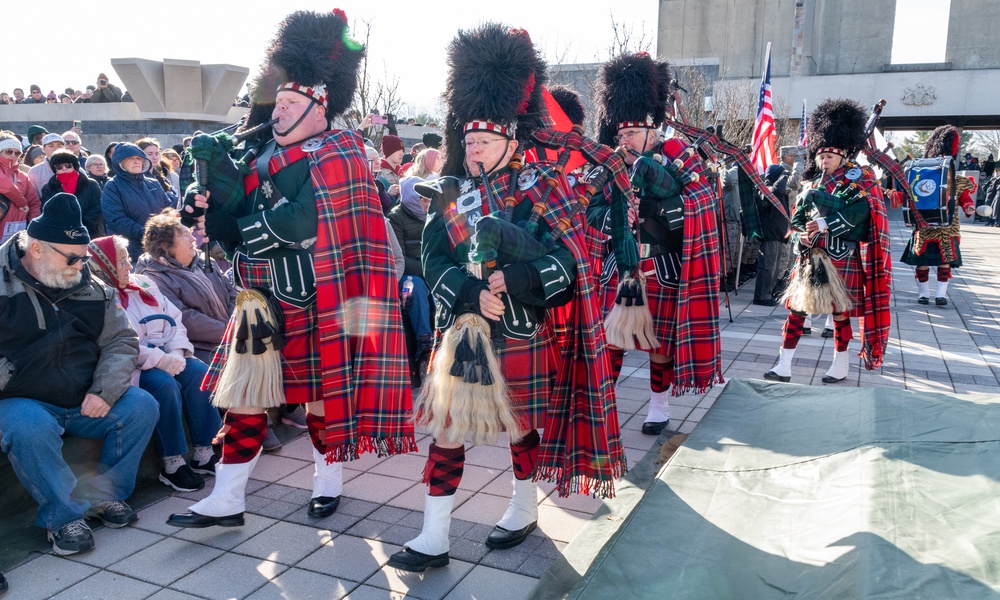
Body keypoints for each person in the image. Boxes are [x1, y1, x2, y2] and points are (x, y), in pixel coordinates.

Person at [387, 23, 623, 572]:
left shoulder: (542, 189)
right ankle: (433, 537)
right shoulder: (451, 195)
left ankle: (524, 508)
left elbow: (570, 263)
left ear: (511, 141)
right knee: (447, 432)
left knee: (521, 428)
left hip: (521, 332)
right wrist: (470, 290)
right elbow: (434, 262)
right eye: (467, 142)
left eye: (483, 142)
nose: (472, 151)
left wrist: (515, 281)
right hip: (465, 333)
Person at [166, 8, 414, 530]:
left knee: (322, 399)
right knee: (243, 398)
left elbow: (307, 219)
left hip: (317, 300)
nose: (277, 112)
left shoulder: (340, 148)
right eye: (276, 102)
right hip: (259, 301)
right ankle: (227, 499)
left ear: (319, 108)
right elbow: (233, 226)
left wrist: (247, 221)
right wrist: (207, 193)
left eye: (290, 103)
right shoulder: (256, 153)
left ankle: (328, 483)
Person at [0, 194, 158, 556]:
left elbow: (121, 341)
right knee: (27, 426)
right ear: (36, 249)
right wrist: (13, 375)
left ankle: (102, 498)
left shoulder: (92, 287)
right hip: (21, 397)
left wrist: (104, 390)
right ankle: (62, 518)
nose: (80, 265)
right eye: (72, 257)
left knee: (140, 405)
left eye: (85, 256)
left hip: (85, 393)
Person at [588, 51, 723, 435]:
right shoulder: (614, 162)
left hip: (661, 265)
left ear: (651, 127)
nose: (624, 140)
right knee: (611, 339)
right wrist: (615, 216)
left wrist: (655, 210)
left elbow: (703, 201)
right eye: (620, 134)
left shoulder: (677, 154)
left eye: (631, 133)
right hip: (621, 266)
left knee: (659, 344)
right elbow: (590, 210)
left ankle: (659, 406)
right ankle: (605, 406)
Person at [764, 98, 891, 384]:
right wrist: (801, 240)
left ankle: (840, 364)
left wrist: (825, 224)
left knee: (839, 315)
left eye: (830, 156)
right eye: (821, 156)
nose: (824, 161)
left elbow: (861, 214)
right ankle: (783, 364)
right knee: (796, 311)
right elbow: (795, 222)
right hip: (810, 259)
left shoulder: (860, 180)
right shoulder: (810, 184)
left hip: (841, 257)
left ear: (843, 156)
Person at [88, 235, 222, 491]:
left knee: (198, 372)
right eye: (122, 263)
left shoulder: (144, 283)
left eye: (128, 260)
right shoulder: (99, 296)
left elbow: (174, 318)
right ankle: (172, 463)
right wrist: (160, 360)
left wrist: (178, 352)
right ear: (104, 266)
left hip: (169, 353)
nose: (129, 267)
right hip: (132, 367)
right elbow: (120, 343)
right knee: (162, 385)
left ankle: (205, 452)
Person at [134, 208, 236, 363]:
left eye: (190, 233)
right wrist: (229, 330)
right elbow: (184, 317)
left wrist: (237, 322)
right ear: (165, 245)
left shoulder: (205, 261)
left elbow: (231, 292)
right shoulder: (154, 277)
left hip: (232, 337)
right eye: (184, 235)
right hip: (200, 349)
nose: (193, 239)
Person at [899, 125, 976, 306]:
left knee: (945, 263)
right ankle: (923, 294)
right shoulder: (919, 178)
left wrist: (969, 207)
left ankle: (941, 295)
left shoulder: (960, 181)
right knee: (922, 264)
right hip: (924, 226)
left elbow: (965, 199)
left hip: (948, 227)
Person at [387, 176, 434, 368]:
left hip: (431, 267)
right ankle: (424, 341)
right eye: (423, 199)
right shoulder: (395, 218)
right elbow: (399, 258)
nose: (427, 203)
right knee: (415, 285)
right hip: (408, 273)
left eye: (428, 199)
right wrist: (428, 269)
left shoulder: (433, 216)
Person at [101, 143, 174, 261]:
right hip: (132, 253)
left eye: (139, 158)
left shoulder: (153, 183)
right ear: (120, 162)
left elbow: (168, 209)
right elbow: (116, 219)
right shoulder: (112, 185)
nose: (136, 161)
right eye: (130, 158)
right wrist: (148, 234)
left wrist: (167, 231)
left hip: (161, 249)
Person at [40, 150, 105, 237]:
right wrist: (67, 226)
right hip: (60, 233)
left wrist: (80, 223)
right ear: (54, 169)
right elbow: (47, 210)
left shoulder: (90, 184)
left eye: (68, 165)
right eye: (59, 166)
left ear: (74, 166)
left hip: (90, 232)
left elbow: (100, 207)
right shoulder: (48, 188)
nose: (64, 168)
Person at [753, 163, 792, 306]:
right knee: (767, 267)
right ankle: (761, 297)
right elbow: (776, 192)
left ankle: (767, 294)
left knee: (773, 268)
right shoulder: (766, 188)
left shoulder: (775, 188)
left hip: (777, 234)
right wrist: (784, 175)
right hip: (770, 234)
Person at [0, 132, 42, 243]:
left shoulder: (23, 177)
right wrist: (22, 203)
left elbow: (34, 203)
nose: (13, 155)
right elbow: (7, 187)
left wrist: (34, 225)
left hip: (18, 235)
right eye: (9, 151)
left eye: (17, 153)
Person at [378, 134, 405, 203]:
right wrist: (388, 194)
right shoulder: (378, 172)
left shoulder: (404, 171)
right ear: (389, 151)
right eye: (398, 150)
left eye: (402, 151)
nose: (402, 154)